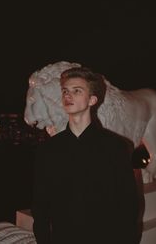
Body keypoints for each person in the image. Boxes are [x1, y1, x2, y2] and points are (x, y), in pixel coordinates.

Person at [32, 66, 140, 244]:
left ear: (92, 100)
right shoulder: (48, 149)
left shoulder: (116, 147)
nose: (68, 95)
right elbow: (40, 205)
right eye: (65, 91)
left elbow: (128, 205)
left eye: (76, 91)